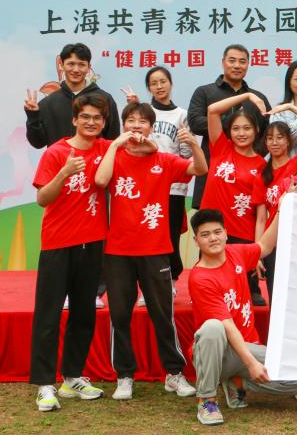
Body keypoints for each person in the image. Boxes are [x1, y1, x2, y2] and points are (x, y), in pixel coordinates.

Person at [94, 102, 207, 401]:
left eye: (142, 121)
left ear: (151, 127)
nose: (136, 126)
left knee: (162, 314)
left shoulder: (164, 160)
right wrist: (115, 144)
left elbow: (199, 169)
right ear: (123, 125)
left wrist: (195, 145)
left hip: (155, 250)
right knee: (120, 315)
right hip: (118, 250)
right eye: (131, 120)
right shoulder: (114, 156)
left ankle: (174, 373)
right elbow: (101, 181)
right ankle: (124, 376)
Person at [28, 93, 113, 412]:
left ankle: (72, 377)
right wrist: (64, 173)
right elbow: (42, 199)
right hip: (58, 244)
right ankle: (44, 384)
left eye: (97, 118)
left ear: (103, 123)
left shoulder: (105, 149)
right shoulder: (56, 152)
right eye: (85, 117)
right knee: (48, 315)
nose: (91, 123)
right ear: (74, 120)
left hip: (93, 244)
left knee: (84, 314)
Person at [188, 208, 297, 425]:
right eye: (205, 235)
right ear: (196, 241)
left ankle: (238, 383)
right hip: (219, 353)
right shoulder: (200, 278)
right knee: (213, 327)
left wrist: (280, 211)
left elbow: (265, 246)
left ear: (226, 233)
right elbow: (228, 326)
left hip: (247, 346)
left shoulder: (235, 253)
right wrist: (252, 363)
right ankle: (207, 401)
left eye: (217, 232)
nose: (213, 238)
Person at [123, 66, 193, 293]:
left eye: (163, 81)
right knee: (145, 234)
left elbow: (185, 153)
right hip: (145, 185)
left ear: (171, 83)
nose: (159, 86)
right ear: (148, 88)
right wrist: (134, 106)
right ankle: (144, 284)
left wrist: (188, 144)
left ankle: (169, 280)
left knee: (169, 235)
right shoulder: (143, 114)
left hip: (173, 186)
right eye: (153, 83)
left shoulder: (181, 115)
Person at [203, 92, 270, 306]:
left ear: (256, 130)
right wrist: (247, 96)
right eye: (236, 128)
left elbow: (260, 214)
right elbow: (213, 110)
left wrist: (257, 250)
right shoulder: (221, 147)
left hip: (243, 236)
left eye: (247, 128)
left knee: (245, 299)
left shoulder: (262, 165)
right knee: (212, 293)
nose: (241, 133)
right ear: (229, 132)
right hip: (213, 232)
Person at [187, 45, 271, 210]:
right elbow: (196, 123)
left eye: (242, 61)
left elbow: (267, 134)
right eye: (232, 61)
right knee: (209, 220)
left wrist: (250, 156)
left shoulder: (258, 98)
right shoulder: (205, 92)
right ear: (223, 62)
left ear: (248, 65)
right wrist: (230, 123)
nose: (237, 65)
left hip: (247, 179)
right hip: (213, 170)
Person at [24, 43, 120, 148]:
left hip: (97, 159)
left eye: (81, 64)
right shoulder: (48, 103)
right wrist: (33, 117)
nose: (76, 70)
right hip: (59, 159)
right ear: (61, 65)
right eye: (71, 64)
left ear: (89, 67)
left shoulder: (105, 99)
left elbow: (113, 141)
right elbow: (38, 143)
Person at [258, 121, 297, 303]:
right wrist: (257, 253)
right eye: (270, 138)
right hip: (273, 243)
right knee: (275, 296)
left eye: (280, 137)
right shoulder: (262, 175)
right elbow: (261, 219)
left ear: (289, 141)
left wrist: (288, 108)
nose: (274, 142)